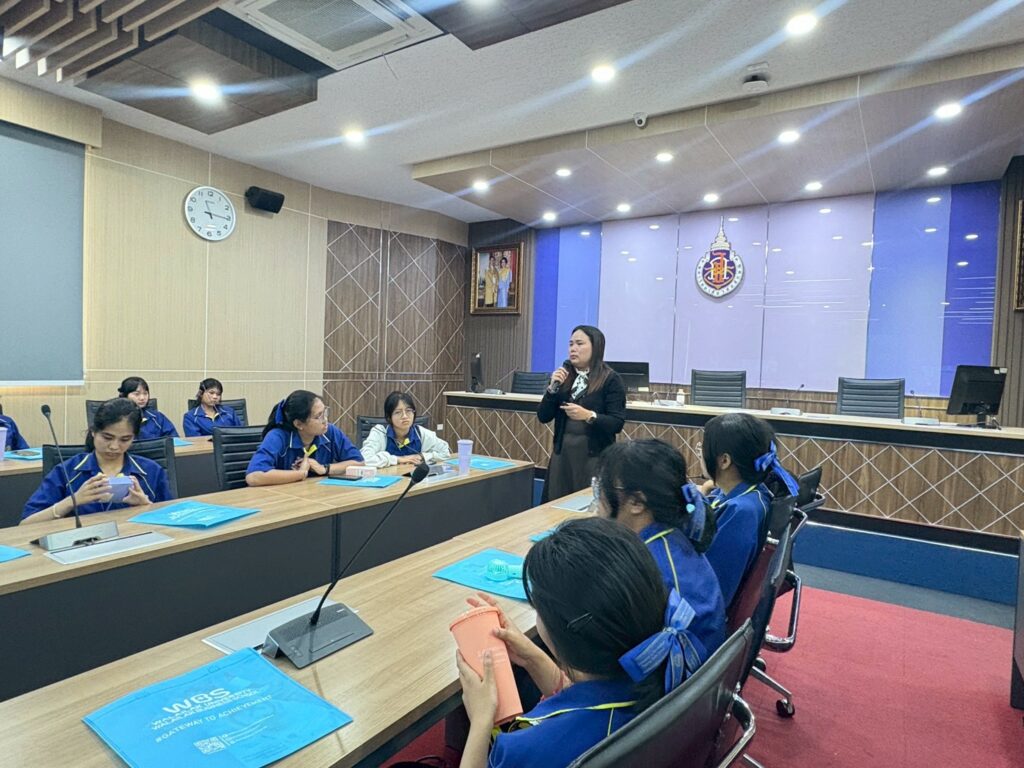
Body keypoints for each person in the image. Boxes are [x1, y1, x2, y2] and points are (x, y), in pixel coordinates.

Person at [456, 517, 706, 768]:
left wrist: (480, 722)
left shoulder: (521, 750)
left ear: (564, 635)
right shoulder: (672, 666)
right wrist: (533, 658)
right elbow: (592, 701)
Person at [595, 438, 726, 660]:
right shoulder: (675, 535)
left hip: (675, 675)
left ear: (637, 502)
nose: (599, 496)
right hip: (702, 669)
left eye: (603, 487)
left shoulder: (645, 569)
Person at [701, 412, 798, 606]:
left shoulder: (740, 512)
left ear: (724, 461)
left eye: (703, 447)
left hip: (701, 612)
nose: (701, 454)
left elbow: (711, 588)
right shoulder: (750, 493)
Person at [22, 398, 173, 524]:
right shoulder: (67, 471)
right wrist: (72, 501)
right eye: (107, 437)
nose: (114, 447)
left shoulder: (152, 471)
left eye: (125, 439)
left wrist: (146, 506)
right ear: (93, 431)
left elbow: (172, 523)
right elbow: (26, 523)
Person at [537, 325, 626, 502]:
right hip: (563, 455)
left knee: (587, 506)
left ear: (596, 347)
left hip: (593, 456)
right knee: (556, 504)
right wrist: (551, 389)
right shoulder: (564, 377)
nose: (573, 349)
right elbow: (543, 416)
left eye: (579, 344)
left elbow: (616, 423)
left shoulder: (610, 379)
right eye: (571, 344)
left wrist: (589, 415)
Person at [245, 390, 363, 486]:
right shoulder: (277, 436)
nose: (325, 420)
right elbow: (254, 476)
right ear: (299, 424)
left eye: (325, 413)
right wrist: (301, 473)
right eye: (318, 417)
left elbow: (359, 462)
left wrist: (325, 469)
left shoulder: (330, 432)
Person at [360, 391, 450, 468]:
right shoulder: (380, 432)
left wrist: (422, 456)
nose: (405, 416)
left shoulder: (420, 433)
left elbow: (445, 452)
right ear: (389, 417)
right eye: (398, 412)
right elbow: (363, 459)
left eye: (408, 411)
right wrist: (398, 459)